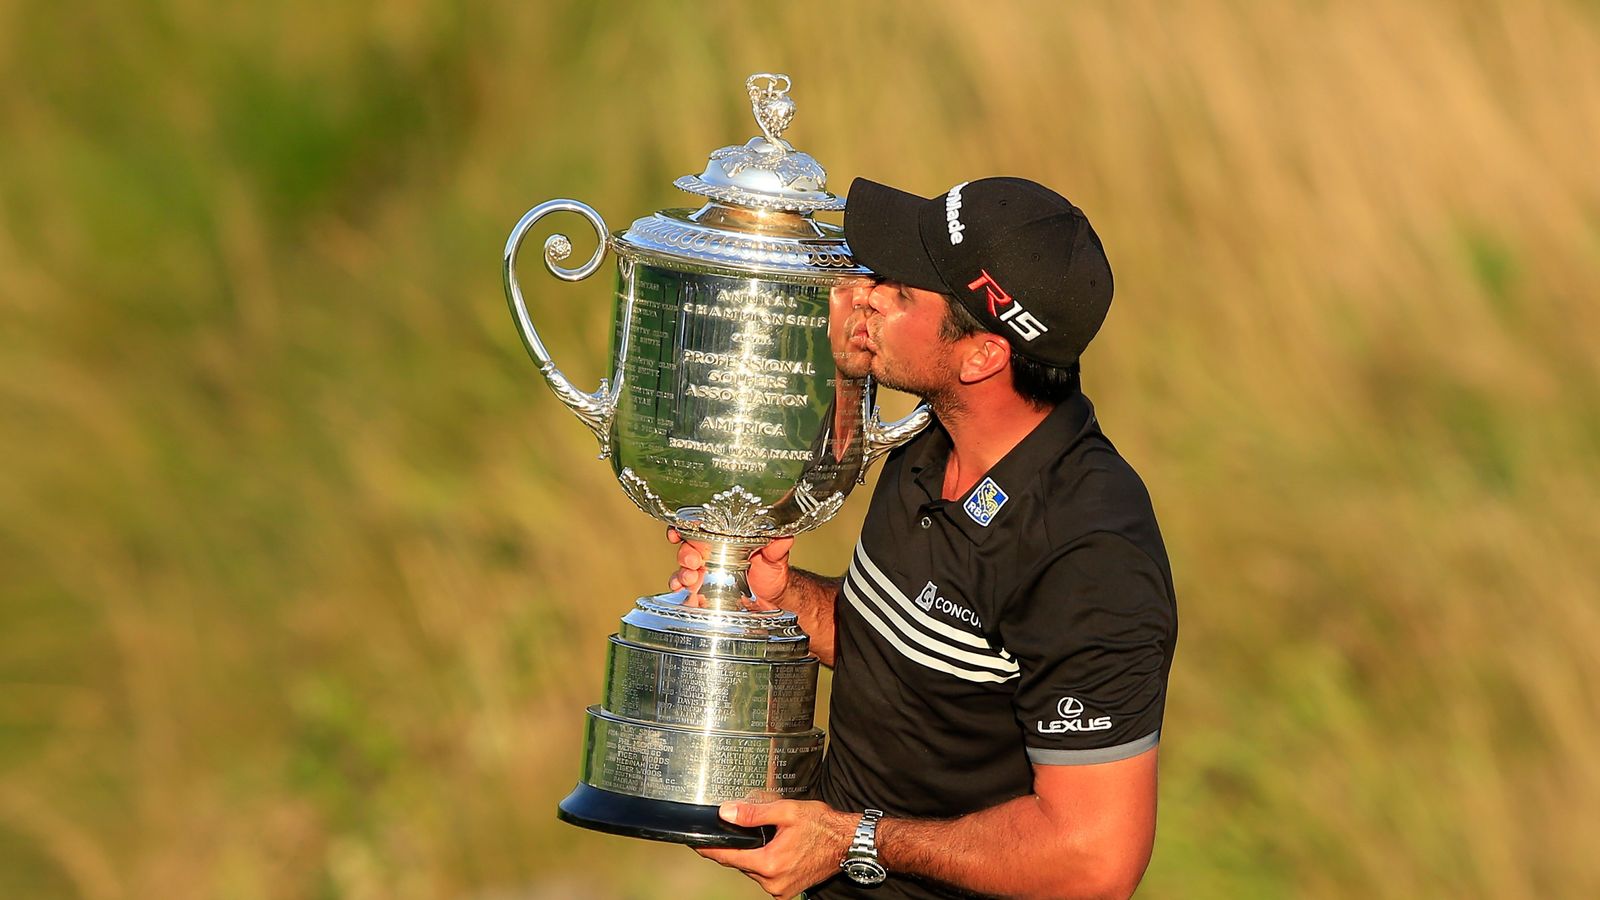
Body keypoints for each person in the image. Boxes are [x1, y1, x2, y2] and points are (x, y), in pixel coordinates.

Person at [669, 177, 1178, 899]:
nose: (869, 292)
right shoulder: (930, 441)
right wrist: (785, 600)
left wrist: (854, 842)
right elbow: (926, 660)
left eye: (903, 292)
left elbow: (1094, 860)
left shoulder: (1089, 555)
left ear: (980, 356)